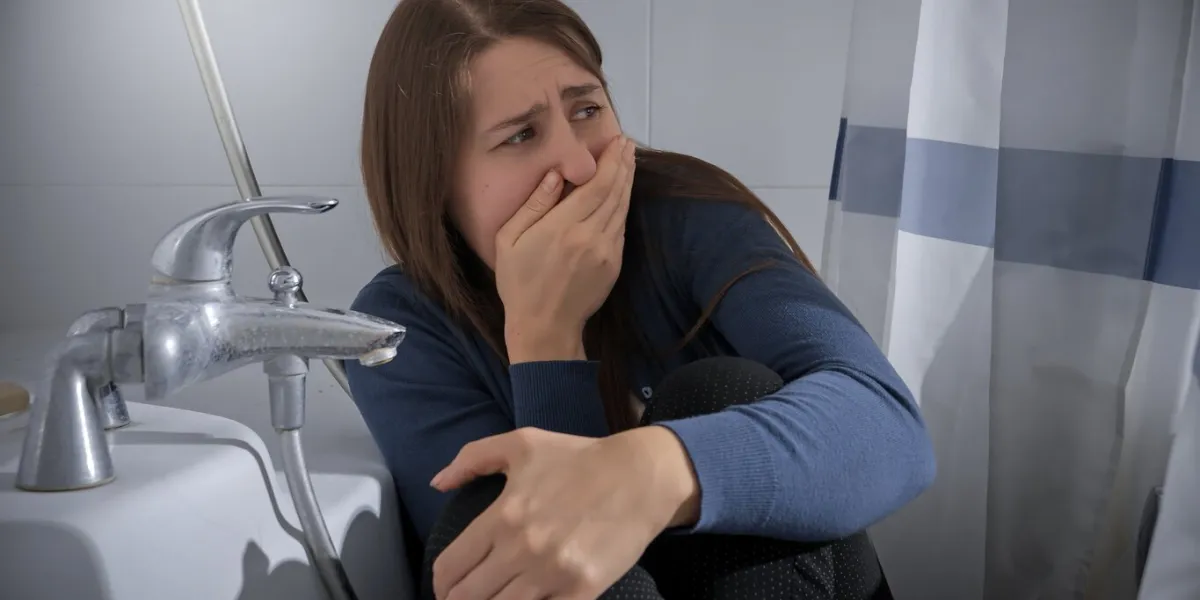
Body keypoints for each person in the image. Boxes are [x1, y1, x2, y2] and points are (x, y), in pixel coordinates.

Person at [344, 0, 937, 598]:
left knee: (720, 394)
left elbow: (891, 428)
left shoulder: (686, 220)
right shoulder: (399, 330)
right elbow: (522, 561)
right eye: (521, 135)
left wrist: (654, 471)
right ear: (434, 182)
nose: (578, 164)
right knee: (484, 505)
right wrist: (545, 336)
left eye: (586, 109)